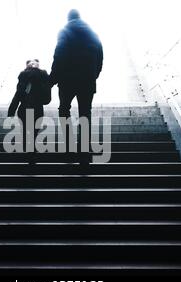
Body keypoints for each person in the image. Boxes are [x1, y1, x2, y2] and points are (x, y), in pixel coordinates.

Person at [49, 9, 104, 165]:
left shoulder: (65, 31)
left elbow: (59, 55)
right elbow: (100, 58)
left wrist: (52, 80)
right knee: (85, 113)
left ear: (68, 19)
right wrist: (93, 75)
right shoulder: (93, 33)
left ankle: (69, 148)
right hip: (87, 80)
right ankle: (85, 152)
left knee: (64, 110)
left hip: (67, 80)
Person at [8, 59, 51, 164]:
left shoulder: (24, 78)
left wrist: (11, 111)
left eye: (34, 63)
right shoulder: (42, 78)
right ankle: (31, 153)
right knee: (33, 132)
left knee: (27, 131)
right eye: (31, 63)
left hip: (25, 109)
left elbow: (17, 95)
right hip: (36, 109)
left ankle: (28, 152)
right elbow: (47, 100)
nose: (32, 65)